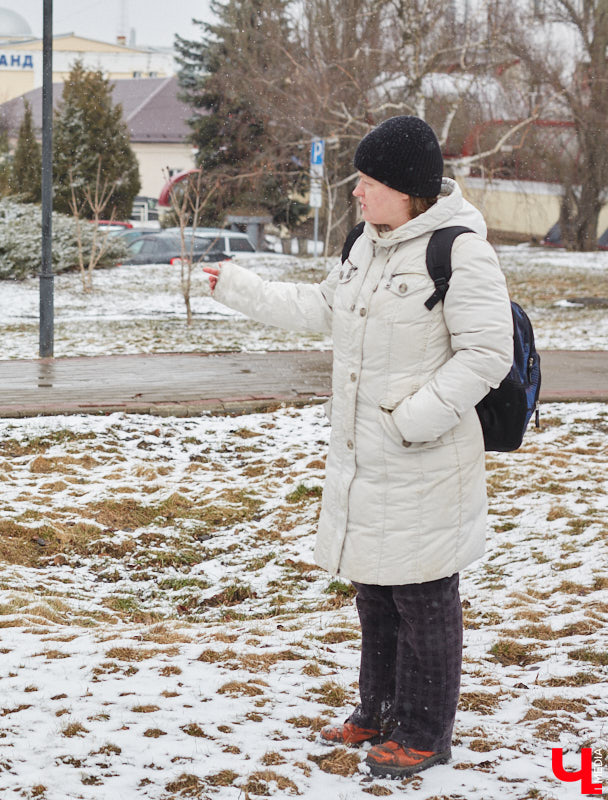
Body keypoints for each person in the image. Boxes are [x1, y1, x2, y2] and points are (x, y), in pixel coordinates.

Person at [203, 115, 513, 779]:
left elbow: (489, 354)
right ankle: (379, 710)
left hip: (424, 461)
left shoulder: (459, 252)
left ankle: (425, 732)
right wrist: (239, 288)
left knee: (425, 601)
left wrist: (414, 419)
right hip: (365, 464)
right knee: (375, 594)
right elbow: (322, 309)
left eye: (369, 181)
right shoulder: (363, 245)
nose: (357, 192)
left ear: (406, 188)